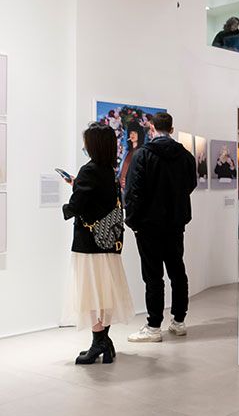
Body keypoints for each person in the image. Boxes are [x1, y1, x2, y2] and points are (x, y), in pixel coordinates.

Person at [62, 122, 135, 364]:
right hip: (108, 241)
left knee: (91, 293)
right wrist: (78, 185)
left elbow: (78, 205)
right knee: (105, 292)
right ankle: (105, 341)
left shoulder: (89, 170)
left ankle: (98, 342)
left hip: (90, 242)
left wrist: (67, 207)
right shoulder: (107, 171)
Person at [124, 112, 197, 342]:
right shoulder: (185, 156)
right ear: (172, 130)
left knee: (153, 275)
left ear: (151, 128)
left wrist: (133, 222)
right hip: (175, 223)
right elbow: (190, 185)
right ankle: (179, 321)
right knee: (177, 271)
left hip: (148, 225)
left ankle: (154, 326)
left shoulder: (143, 155)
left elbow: (134, 192)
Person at [118, 124, 144, 193]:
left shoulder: (141, 152)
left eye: (135, 133)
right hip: (122, 189)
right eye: (131, 133)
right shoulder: (127, 152)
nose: (132, 135)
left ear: (140, 135)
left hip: (133, 190)